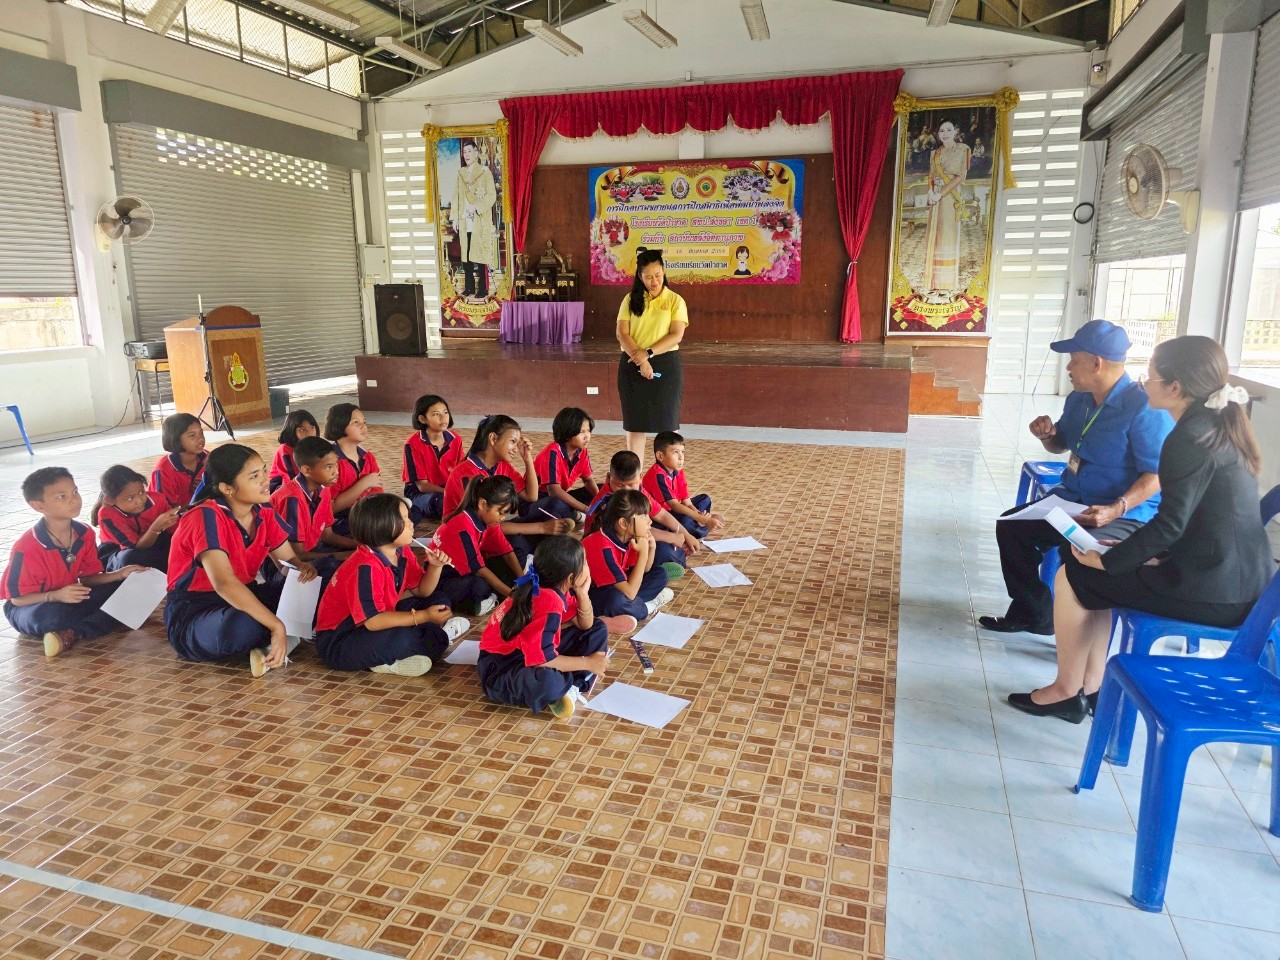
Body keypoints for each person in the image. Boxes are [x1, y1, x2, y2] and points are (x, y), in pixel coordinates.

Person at [1009, 336, 1274, 722]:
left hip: (1215, 591)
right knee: (1086, 573)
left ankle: (1066, 691)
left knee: (1074, 576)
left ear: (1175, 388)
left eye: (1149, 377)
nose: (1143, 384)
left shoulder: (1188, 438)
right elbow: (1192, 521)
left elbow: (1169, 524)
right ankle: (1091, 687)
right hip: (1234, 577)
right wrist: (1134, 557)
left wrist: (1108, 560)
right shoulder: (1214, 425)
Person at [979, 320, 1174, 635]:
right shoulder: (1079, 399)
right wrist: (1048, 435)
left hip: (1123, 513)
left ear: (1096, 363)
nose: (1068, 368)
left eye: (1074, 360)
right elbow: (1061, 445)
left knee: (1081, 552)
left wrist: (1116, 508)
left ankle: (1080, 638)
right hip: (1073, 501)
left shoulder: (1143, 408)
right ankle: (1035, 614)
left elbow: (1157, 474)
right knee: (1012, 528)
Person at [165, 444, 317, 677]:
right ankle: (286, 635)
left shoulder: (263, 511)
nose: (266, 480)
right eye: (254, 476)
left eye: (264, 471)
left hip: (246, 595)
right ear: (227, 488)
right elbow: (225, 584)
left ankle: (280, 640)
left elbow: (287, 562)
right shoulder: (205, 516)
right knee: (242, 626)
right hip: (195, 611)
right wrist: (276, 625)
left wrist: (302, 569)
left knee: (320, 578)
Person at [314, 493, 468, 677]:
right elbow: (373, 622)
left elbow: (422, 591)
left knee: (438, 600)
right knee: (405, 639)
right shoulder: (366, 567)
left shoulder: (401, 551)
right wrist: (424, 616)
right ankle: (388, 659)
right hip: (342, 641)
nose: (411, 523)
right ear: (382, 527)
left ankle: (419, 644)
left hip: (377, 621)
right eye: (404, 519)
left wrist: (435, 567)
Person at [1, 467, 148, 657]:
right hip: (32, 606)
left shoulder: (84, 532)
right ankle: (84, 627)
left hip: (69, 597)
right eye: (61, 497)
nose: (74, 500)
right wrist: (55, 595)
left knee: (135, 588)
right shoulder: (27, 547)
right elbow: (17, 599)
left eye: (75, 492)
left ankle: (71, 633)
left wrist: (120, 574)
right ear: (38, 506)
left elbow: (88, 579)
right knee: (54, 616)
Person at [477, 536, 609, 719]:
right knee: (547, 682)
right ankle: (570, 683)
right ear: (571, 577)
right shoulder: (549, 600)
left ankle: (571, 686)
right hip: (501, 669)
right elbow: (542, 661)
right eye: (585, 563)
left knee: (597, 628)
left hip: (526, 654)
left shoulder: (550, 585)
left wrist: (583, 594)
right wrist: (587, 663)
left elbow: (585, 624)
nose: (588, 566)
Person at [442, 415, 569, 560]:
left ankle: (536, 559)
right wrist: (542, 527)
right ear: (493, 439)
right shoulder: (466, 473)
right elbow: (486, 525)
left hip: (494, 525)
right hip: (470, 537)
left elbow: (531, 496)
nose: (515, 448)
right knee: (518, 542)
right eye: (512, 441)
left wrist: (527, 458)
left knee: (553, 506)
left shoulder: (501, 466)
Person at [616, 249, 689, 460]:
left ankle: (668, 475)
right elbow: (622, 334)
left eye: (658, 275)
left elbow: (676, 335)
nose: (654, 281)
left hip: (665, 365)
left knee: (668, 425)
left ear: (664, 271)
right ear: (640, 277)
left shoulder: (675, 300)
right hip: (632, 364)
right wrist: (641, 361)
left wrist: (647, 354)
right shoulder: (630, 300)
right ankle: (634, 476)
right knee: (635, 425)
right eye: (648, 277)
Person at [430, 475, 523, 614]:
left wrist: (523, 580)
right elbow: (479, 569)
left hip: (468, 570)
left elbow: (505, 549)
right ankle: (482, 601)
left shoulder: (488, 519)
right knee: (479, 585)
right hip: (443, 578)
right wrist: (513, 596)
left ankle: (493, 596)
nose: (503, 518)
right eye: (500, 512)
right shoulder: (462, 526)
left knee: (514, 558)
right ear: (483, 504)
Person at [269, 436, 357, 581]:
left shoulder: (323, 488)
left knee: (361, 536)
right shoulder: (292, 499)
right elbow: (298, 555)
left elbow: (327, 536)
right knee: (333, 566)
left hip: (313, 549)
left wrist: (358, 546)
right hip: (286, 565)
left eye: (336, 464)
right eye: (329, 467)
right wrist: (342, 555)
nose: (336, 471)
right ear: (306, 470)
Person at [583, 490, 674, 622]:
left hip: (620, 587)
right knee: (617, 601)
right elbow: (630, 594)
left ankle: (631, 608)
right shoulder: (603, 548)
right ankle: (647, 607)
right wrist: (643, 553)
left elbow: (645, 569)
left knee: (660, 574)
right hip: (591, 596)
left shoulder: (626, 536)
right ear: (624, 523)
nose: (650, 521)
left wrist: (651, 547)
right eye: (644, 516)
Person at [92, 464, 181, 572]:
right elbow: (136, 547)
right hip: (118, 552)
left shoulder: (158, 499)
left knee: (180, 544)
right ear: (110, 500)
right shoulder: (107, 514)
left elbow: (176, 529)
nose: (139, 500)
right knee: (130, 559)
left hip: (154, 543)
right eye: (130, 498)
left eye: (141, 492)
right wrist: (155, 529)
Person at [642, 431, 723, 539]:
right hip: (661, 517)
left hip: (675, 511)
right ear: (660, 456)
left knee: (705, 499)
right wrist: (704, 520)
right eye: (676, 452)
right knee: (684, 520)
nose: (681, 457)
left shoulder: (677, 471)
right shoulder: (657, 475)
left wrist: (699, 515)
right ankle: (700, 528)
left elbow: (687, 502)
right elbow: (674, 505)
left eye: (683, 452)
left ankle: (699, 526)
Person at [921, 119, 971, 294]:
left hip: (950, 197)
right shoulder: (934, 153)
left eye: (949, 130)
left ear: (955, 131)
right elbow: (930, 175)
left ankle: (947, 282)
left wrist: (940, 193)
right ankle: (933, 280)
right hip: (935, 198)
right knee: (935, 236)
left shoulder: (963, 150)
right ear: (938, 134)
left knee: (947, 236)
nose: (945, 134)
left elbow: (961, 177)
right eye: (942, 131)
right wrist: (930, 191)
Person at [323, 403, 384, 536]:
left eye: (364, 422)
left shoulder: (368, 457)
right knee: (369, 526)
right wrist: (364, 483)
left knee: (406, 511)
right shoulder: (331, 462)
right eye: (356, 422)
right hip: (341, 517)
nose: (363, 426)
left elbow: (377, 491)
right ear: (339, 425)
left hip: (365, 511)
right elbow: (331, 508)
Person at [402, 394, 463, 522]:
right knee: (441, 502)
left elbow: (460, 472)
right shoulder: (412, 444)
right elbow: (422, 486)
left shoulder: (455, 439)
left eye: (445, 412)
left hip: (447, 488)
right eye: (436, 414)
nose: (443, 418)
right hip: (421, 493)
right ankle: (414, 507)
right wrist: (450, 493)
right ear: (423, 419)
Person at [451, 140, 498, 301]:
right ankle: (469, 287)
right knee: (467, 256)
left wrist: (476, 207)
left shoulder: (485, 172)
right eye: (464, 152)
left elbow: (491, 196)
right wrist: (455, 218)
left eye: (469, 151)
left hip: (480, 221)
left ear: (476, 153)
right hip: (465, 221)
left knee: (481, 255)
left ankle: (483, 289)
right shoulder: (461, 174)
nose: (467, 155)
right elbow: (456, 196)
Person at [534, 407, 599, 520]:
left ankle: (571, 513)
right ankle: (577, 516)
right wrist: (585, 509)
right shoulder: (552, 452)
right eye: (581, 432)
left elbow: (588, 480)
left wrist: (600, 501)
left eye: (588, 430)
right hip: (538, 500)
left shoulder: (581, 451)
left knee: (601, 489)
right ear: (568, 433)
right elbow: (554, 491)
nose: (587, 436)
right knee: (556, 506)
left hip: (559, 496)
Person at [151, 413, 207, 510]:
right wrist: (195, 504)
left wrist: (206, 488)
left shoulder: (208, 458)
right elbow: (164, 509)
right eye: (192, 435)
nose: (200, 439)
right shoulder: (164, 470)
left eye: (201, 433)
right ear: (175, 439)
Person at [270, 410, 319, 493]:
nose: (309, 433)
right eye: (302, 430)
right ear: (292, 432)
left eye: (312, 427)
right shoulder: (285, 449)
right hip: (280, 483)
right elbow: (292, 477)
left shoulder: (314, 445)